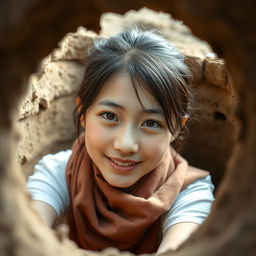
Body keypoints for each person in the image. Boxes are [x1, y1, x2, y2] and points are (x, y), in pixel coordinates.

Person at [27, 26, 214, 254]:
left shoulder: (190, 193)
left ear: (176, 129)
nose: (125, 145)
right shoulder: (58, 172)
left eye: (151, 123)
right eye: (110, 116)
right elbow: (26, 236)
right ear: (83, 114)